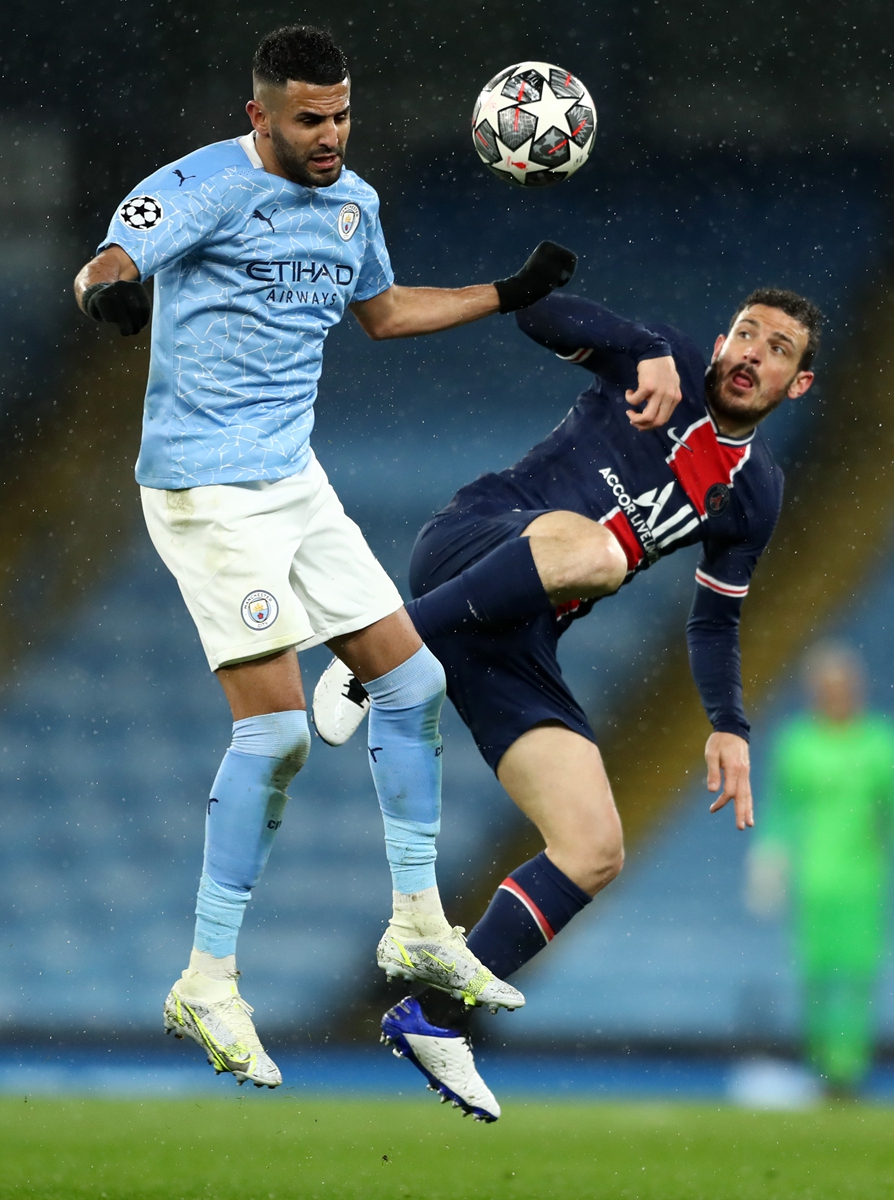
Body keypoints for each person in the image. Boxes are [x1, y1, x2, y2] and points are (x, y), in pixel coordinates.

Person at [72, 24, 577, 1089]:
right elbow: (111, 260)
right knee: (278, 731)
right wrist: (107, 292)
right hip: (207, 490)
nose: (330, 136)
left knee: (410, 679)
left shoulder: (356, 205)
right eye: (308, 119)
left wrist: (504, 294)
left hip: (293, 480)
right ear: (258, 115)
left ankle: (414, 927)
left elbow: (383, 313)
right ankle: (208, 979)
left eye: (342, 115)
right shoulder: (200, 185)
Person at [313, 283, 821, 1119]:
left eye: (777, 350)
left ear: (796, 385)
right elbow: (538, 312)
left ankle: (436, 1022)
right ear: (721, 335)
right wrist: (635, 340)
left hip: (515, 636)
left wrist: (728, 724)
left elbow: (716, 619)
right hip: (478, 543)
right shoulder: (668, 357)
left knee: (594, 848)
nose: (752, 355)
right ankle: (382, 652)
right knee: (601, 552)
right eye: (746, 334)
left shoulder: (756, 492)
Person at [745, 641, 894, 1096]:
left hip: (866, 879)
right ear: (814, 690)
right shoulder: (797, 744)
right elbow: (781, 809)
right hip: (814, 880)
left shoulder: (883, 741)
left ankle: (848, 1070)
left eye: (843, 686)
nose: (836, 694)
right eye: (827, 686)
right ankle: (821, 1066)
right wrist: (770, 857)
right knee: (815, 975)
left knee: (860, 975)